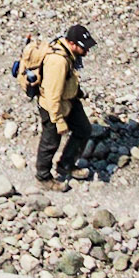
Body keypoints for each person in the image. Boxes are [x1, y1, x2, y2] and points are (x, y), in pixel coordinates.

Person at [35, 24, 96, 189]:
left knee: (83, 129)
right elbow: (52, 95)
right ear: (72, 43)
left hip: (69, 100)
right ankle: (43, 177)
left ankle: (66, 164)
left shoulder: (68, 52)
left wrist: (77, 91)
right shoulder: (58, 61)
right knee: (50, 142)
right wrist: (58, 120)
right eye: (84, 47)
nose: (87, 51)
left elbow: (68, 78)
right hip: (52, 106)